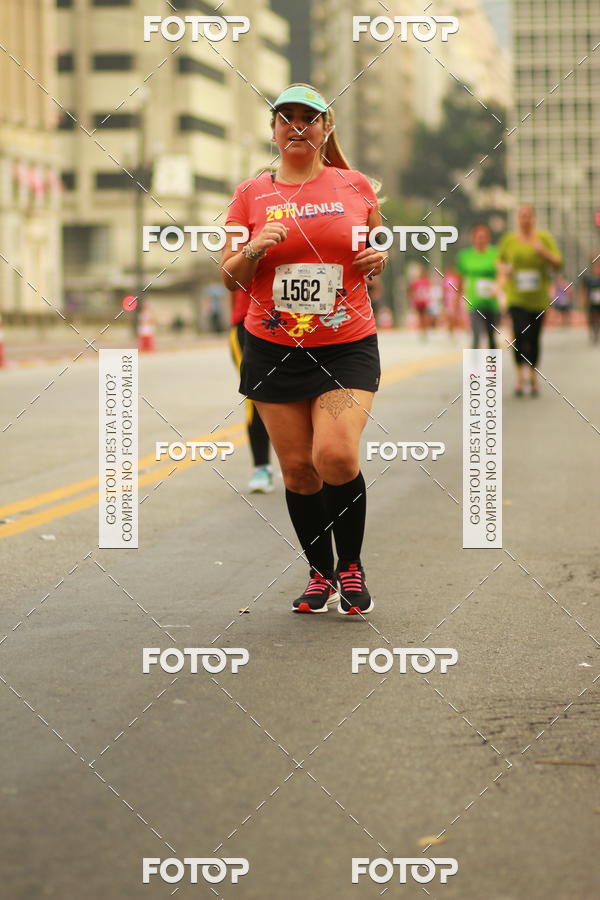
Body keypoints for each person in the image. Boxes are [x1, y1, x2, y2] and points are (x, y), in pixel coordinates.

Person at [220, 83, 387, 615]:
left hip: (345, 346)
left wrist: (378, 259)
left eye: (308, 117)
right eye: (285, 117)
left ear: (325, 128)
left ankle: (351, 566)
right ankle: (320, 573)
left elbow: (376, 248)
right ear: (273, 129)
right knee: (297, 471)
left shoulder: (355, 186)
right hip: (272, 350)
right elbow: (229, 276)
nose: (296, 126)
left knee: (334, 455)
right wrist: (253, 248)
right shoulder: (250, 194)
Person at [498, 205, 562, 396]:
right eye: (522, 216)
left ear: (533, 218)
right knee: (519, 334)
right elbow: (499, 261)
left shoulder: (544, 239)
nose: (525, 220)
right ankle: (520, 377)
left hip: (538, 299)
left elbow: (558, 263)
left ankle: (533, 376)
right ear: (517, 219)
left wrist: (544, 253)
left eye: (528, 216)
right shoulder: (509, 240)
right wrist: (504, 270)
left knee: (533, 338)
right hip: (516, 297)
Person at [229, 287, 274, 492]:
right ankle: (261, 467)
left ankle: (309, 462)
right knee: (256, 396)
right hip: (249, 323)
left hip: (307, 321)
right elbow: (230, 280)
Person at [456, 224, 501, 350]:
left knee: (491, 337)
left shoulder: (495, 254)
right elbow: (460, 280)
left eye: (484, 237)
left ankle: (492, 363)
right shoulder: (465, 256)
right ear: (473, 238)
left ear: (488, 238)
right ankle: (473, 363)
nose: (481, 240)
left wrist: (498, 286)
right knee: (476, 336)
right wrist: (457, 301)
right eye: (478, 237)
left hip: (491, 302)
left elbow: (501, 274)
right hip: (474, 302)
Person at [580, 257, 600, 344]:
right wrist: (583, 300)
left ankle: (596, 333)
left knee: (598, 318)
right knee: (592, 318)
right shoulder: (588, 278)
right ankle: (593, 331)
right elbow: (584, 289)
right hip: (591, 301)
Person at [408, 265, 432, 338]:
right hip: (419, 301)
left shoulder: (426, 281)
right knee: (420, 316)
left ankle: (425, 329)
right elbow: (412, 290)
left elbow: (428, 291)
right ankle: (422, 330)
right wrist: (413, 298)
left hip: (424, 301)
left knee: (424, 316)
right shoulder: (417, 282)